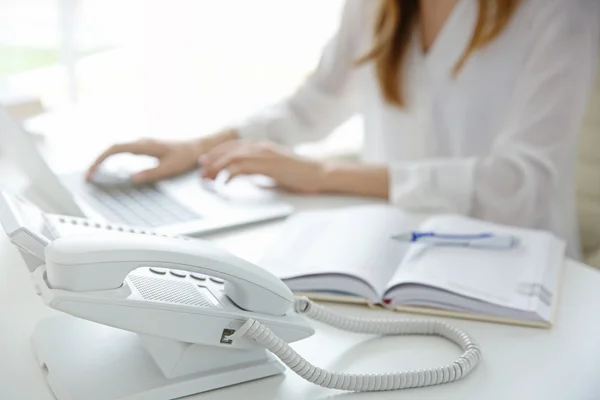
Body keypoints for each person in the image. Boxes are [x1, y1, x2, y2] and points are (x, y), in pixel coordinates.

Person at [87, 0, 600, 257]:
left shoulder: (562, 11)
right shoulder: (380, 6)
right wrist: (199, 147)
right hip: (393, 248)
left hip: (516, 260)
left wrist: (325, 173)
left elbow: (520, 182)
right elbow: (313, 105)